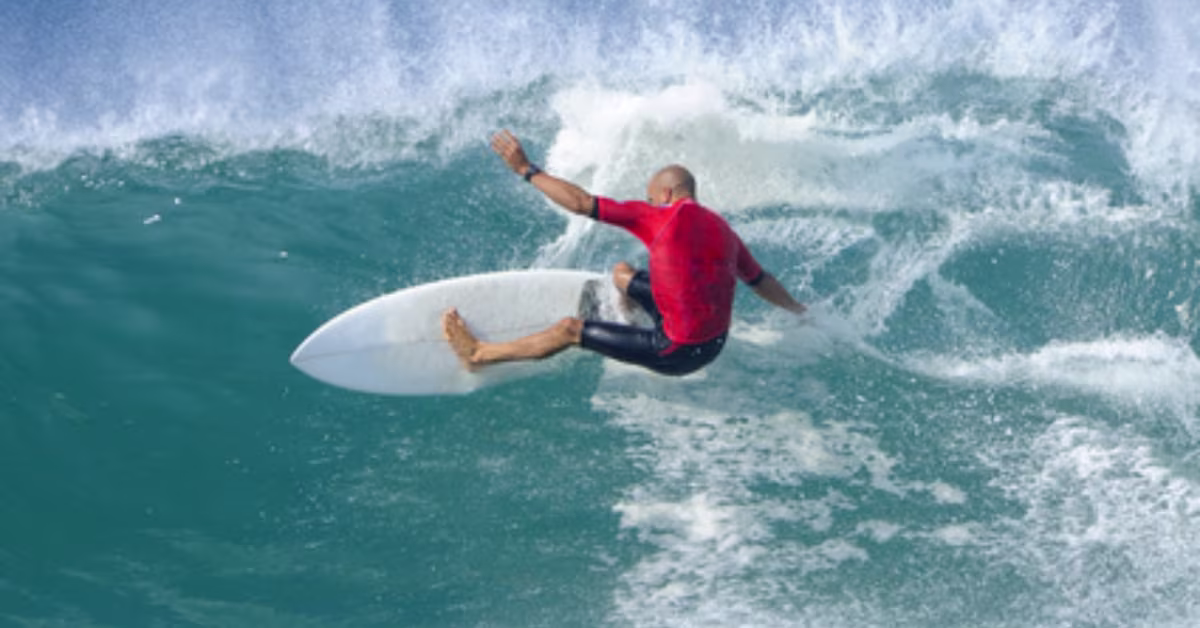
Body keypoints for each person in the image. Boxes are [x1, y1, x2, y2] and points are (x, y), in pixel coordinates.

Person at [442, 130, 806, 376]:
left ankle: (479, 355)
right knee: (621, 273)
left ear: (664, 195)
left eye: (650, 198)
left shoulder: (659, 217)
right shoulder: (725, 231)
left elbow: (582, 202)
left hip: (677, 351)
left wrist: (526, 170)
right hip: (715, 343)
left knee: (569, 330)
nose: (649, 204)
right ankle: (630, 320)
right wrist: (798, 311)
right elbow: (760, 281)